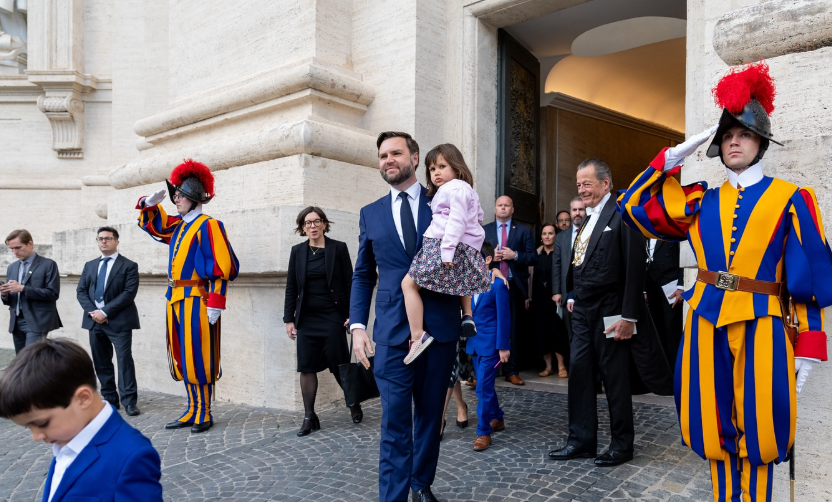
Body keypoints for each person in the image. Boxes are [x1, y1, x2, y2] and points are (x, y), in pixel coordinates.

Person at [619, 61, 831, 502]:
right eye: (727, 135)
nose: (735, 141)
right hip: (703, 320)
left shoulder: (792, 200)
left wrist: (808, 350)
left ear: (761, 142)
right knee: (713, 426)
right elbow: (635, 208)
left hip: (764, 322)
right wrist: (673, 157)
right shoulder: (699, 202)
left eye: (745, 134)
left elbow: (808, 283)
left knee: (761, 429)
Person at [350, 131, 462, 502]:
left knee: (431, 417)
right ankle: (393, 497)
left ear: (415, 157)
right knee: (395, 420)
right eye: (382, 155)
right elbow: (364, 274)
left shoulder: (444, 201)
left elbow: (465, 252)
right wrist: (357, 327)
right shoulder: (370, 213)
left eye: (396, 152)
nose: (388, 160)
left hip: (439, 329)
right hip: (392, 334)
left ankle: (420, 483)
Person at [548, 158, 647, 467]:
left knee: (615, 379)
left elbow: (634, 266)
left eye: (587, 183)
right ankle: (581, 440)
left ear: (606, 183)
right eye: (579, 184)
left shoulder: (623, 214)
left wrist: (629, 316)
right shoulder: (586, 219)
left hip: (611, 310)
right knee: (578, 373)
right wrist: (573, 295)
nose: (582, 189)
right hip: (583, 311)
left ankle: (622, 445)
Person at [136, 159, 239, 434]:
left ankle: (204, 411)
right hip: (175, 298)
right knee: (183, 355)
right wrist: (148, 202)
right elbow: (154, 226)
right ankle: (192, 408)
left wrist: (216, 303)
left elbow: (221, 268)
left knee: (199, 356)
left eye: (180, 195)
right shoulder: (179, 225)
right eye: (175, 195)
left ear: (194, 198)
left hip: (197, 299)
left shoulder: (209, 225)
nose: (175, 200)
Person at [0, 339, 163, 502]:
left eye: (42, 423)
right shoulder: (67, 439)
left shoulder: (131, 456)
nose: (36, 436)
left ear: (83, 398)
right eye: (27, 427)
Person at [401, 143, 490, 364]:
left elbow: (457, 220)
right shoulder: (463, 190)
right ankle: (467, 315)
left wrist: (447, 251)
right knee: (462, 281)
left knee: (408, 284)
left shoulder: (455, 188)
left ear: (457, 168)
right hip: (458, 245)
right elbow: (477, 215)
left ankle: (417, 335)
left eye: (442, 166)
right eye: (432, 169)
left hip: (444, 245)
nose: (436, 172)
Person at [283, 206, 362, 436]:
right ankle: (309, 416)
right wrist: (289, 319)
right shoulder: (297, 252)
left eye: (317, 221)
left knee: (339, 365)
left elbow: (350, 284)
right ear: (302, 227)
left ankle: (353, 403)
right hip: (306, 319)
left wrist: (351, 314)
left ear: (325, 224)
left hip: (332, 317)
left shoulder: (338, 248)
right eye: (308, 223)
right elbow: (291, 288)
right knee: (306, 367)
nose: (313, 226)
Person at [76, 226, 142, 417]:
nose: (103, 241)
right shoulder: (89, 265)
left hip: (119, 321)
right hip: (94, 321)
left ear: (116, 242)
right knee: (101, 362)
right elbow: (81, 291)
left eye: (108, 238)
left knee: (124, 361)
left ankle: (129, 401)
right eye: (100, 239)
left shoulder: (129, 265)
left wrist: (105, 312)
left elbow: (128, 294)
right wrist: (94, 313)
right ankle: (110, 400)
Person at [482, 196, 538, 385]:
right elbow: (475, 255)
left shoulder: (524, 231)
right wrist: (491, 256)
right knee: (488, 326)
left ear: (512, 209)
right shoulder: (484, 230)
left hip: (513, 286)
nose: (503, 208)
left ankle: (512, 370)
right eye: (500, 205)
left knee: (512, 328)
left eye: (507, 205)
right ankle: (483, 370)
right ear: (495, 208)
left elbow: (533, 258)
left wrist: (515, 255)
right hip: (489, 285)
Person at [465, 242, 510, 452]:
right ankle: (497, 418)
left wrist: (503, 346)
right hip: (475, 344)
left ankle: (483, 432)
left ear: (488, 259)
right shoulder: (467, 281)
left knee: (482, 387)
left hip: (492, 346)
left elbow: (504, 318)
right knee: (484, 387)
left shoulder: (498, 285)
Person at [1, 229, 62, 353]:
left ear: (30, 244)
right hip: (16, 321)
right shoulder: (12, 267)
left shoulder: (48, 264)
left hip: (37, 320)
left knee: (32, 359)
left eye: (18, 247)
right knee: (21, 359)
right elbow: (10, 300)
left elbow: (52, 294)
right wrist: (4, 294)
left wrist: (23, 288)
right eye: (11, 249)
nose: (15, 252)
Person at [531, 223, 569, 378]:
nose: (547, 236)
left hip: (556, 298)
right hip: (539, 299)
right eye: (544, 233)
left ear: (556, 235)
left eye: (550, 233)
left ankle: (561, 366)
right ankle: (548, 366)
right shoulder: (536, 255)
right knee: (542, 332)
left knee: (558, 332)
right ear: (540, 236)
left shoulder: (560, 254)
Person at [644, 238, 684, 366]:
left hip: (671, 286)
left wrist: (681, 286)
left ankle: (676, 371)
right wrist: (643, 289)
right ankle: (663, 372)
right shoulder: (644, 231)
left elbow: (684, 254)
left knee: (672, 330)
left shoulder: (670, 228)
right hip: (652, 285)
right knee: (656, 330)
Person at [552, 197, 585, 343]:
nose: (577, 213)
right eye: (574, 210)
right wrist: (556, 291)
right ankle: (575, 365)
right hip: (567, 293)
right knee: (571, 335)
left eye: (581, 209)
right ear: (571, 213)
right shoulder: (561, 237)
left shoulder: (594, 231)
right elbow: (557, 264)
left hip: (589, 291)